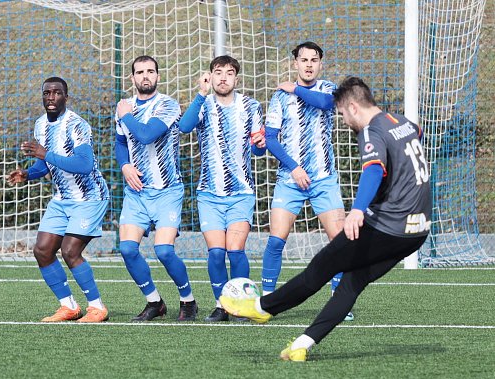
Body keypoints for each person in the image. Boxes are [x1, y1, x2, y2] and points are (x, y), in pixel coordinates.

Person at [221, 76, 431, 361]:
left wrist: (357, 210)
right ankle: (302, 346)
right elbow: (416, 135)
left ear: (354, 107)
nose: (344, 121)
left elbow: (372, 170)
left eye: (343, 114)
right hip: (417, 233)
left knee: (319, 268)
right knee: (351, 283)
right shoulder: (402, 122)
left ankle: (262, 308)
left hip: (387, 225)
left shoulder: (371, 131)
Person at [252, 42, 352, 320]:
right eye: (303, 59)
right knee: (275, 241)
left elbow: (325, 103)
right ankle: (266, 301)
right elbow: (270, 139)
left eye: (314, 60)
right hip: (289, 179)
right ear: (294, 63)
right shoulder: (278, 98)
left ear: (321, 64)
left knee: (340, 240)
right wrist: (294, 168)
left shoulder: (328, 89)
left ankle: (338, 300)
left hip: (323, 179)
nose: (308, 64)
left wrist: (295, 89)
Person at [7, 77, 110, 323]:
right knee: (42, 250)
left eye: (57, 93)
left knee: (70, 250)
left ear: (66, 97)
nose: (51, 97)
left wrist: (45, 153)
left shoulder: (77, 125)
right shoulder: (40, 125)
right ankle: (69, 306)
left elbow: (84, 165)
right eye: (47, 93)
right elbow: (45, 164)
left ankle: (97, 308)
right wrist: (28, 173)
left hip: (89, 197)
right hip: (62, 198)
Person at [179, 55, 264, 322]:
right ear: (210, 76)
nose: (223, 77)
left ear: (236, 78)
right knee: (216, 253)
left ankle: (243, 304)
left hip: (240, 193)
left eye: (229, 73)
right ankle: (222, 305)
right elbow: (184, 127)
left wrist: (260, 146)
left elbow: (256, 149)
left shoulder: (251, 106)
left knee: (235, 250)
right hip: (209, 194)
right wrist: (200, 94)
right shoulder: (203, 104)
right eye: (218, 72)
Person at [115, 55, 197, 322]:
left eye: (150, 71)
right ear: (132, 78)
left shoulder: (168, 105)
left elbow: (146, 134)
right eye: (140, 72)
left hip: (166, 191)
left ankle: (188, 300)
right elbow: (120, 142)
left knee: (164, 251)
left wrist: (125, 115)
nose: (145, 76)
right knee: (127, 249)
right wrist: (125, 165)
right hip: (137, 194)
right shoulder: (125, 106)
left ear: (158, 76)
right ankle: (154, 302)